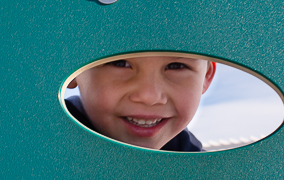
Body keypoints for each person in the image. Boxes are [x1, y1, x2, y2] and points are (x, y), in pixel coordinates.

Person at [66, 55, 216, 151]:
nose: (149, 97)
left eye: (176, 66)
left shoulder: (197, 174)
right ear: (69, 67)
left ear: (206, 76)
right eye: (120, 63)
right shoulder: (46, 145)